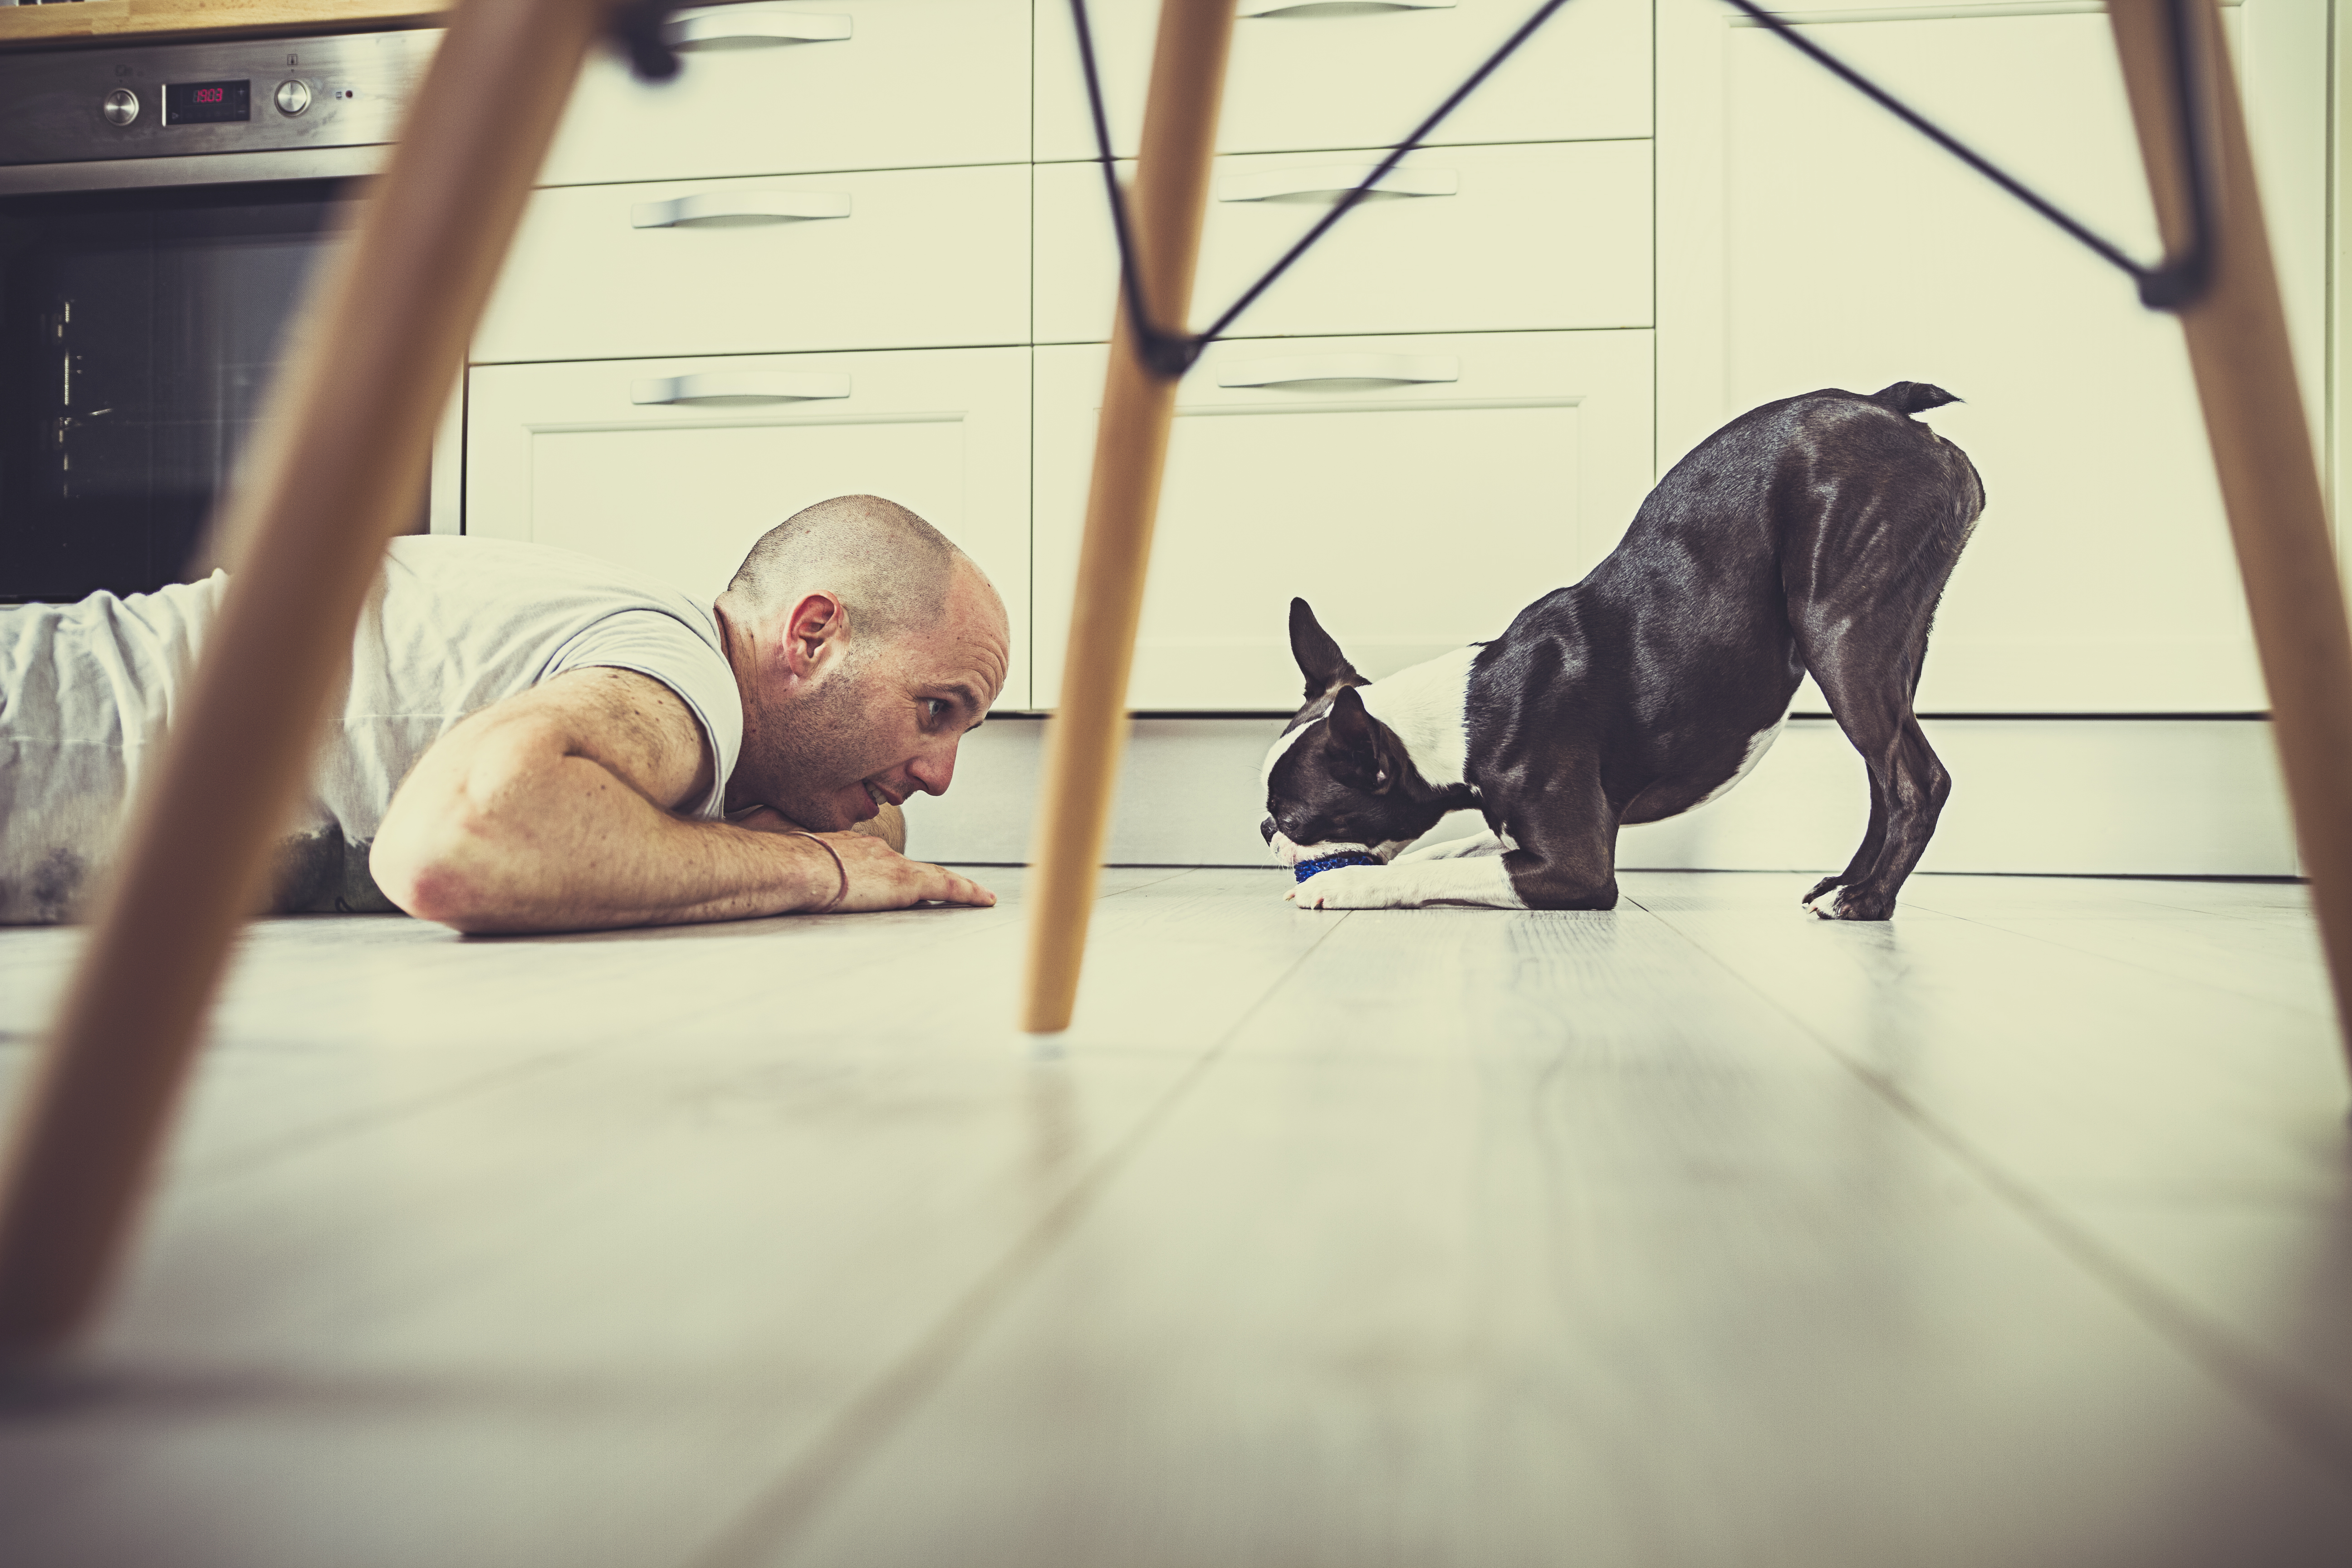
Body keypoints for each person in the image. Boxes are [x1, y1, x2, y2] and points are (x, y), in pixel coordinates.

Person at [0, 494, 1002, 931]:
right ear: (812, 634)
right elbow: (461, 843)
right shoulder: (679, 675)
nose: (941, 771)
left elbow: (879, 828)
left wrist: (825, 833)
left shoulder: (652, 651)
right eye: (934, 710)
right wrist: (817, 872)